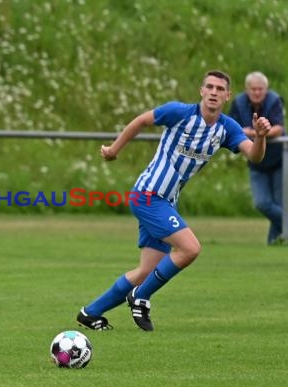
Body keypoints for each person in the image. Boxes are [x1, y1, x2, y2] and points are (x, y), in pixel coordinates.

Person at [76, 70, 271, 332]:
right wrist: (113, 150)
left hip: (165, 202)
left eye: (219, 88)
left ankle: (90, 313)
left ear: (227, 95)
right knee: (190, 248)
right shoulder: (179, 112)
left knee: (147, 271)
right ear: (201, 91)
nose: (213, 92)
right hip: (148, 195)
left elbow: (254, 156)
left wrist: (260, 136)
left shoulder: (227, 128)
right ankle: (140, 297)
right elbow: (142, 121)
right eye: (209, 87)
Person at [229, 71, 288, 244]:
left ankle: (274, 242)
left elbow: (279, 128)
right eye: (253, 89)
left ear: (266, 89)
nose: (257, 92)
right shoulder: (238, 103)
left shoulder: (274, 100)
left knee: (279, 204)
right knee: (262, 203)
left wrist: (255, 132)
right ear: (247, 89)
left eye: (260, 89)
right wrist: (255, 132)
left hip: (279, 159)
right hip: (256, 161)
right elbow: (232, 127)